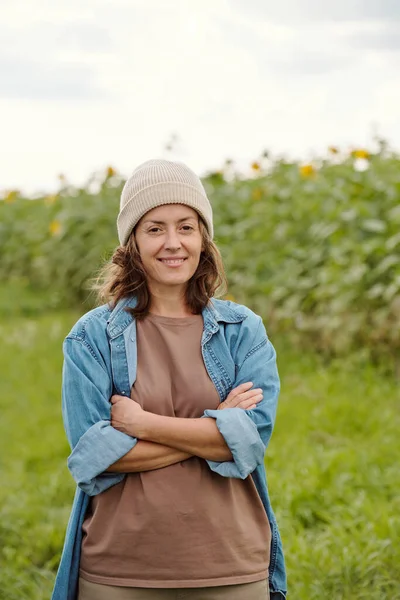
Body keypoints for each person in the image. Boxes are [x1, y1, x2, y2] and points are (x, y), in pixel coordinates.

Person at [51, 159, 287, 600]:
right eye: (155, 228)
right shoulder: (91, 336)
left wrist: (143, 425)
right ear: (133, 242)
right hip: (119, 571)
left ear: (203, 238)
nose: (173, 243)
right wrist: (215, 431)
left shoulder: (243, 331)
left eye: (186, 227)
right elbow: (94, 456)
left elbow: (250, 442)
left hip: (232, 566)